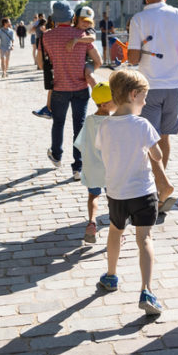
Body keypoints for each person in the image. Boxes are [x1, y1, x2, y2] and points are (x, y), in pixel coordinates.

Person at [93, 69, 166, 316]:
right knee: (144, 238)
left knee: (115, 232)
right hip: (143, 193)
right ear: (134, 95)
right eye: (144, 97)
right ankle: (146, 289)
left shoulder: (105, 125)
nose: (145, 102)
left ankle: (111, 275)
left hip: (116, 193)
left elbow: (102, 153)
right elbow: (158, 155)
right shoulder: (142, 124)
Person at [127, 0, 178, 182]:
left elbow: (134, 59)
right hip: (175, 85)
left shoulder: (139, 18)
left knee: (149, 138)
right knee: (164, 137)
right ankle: (160, 180)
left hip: (150, 86)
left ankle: (159, 184)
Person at [42, 1, 100, 180]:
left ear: (54, 18)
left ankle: (57, 156)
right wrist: (88, 70)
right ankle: (77, 168)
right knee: (79, 127)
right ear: (72, 17)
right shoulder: (82, 34)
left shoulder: (46, 37)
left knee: (58, 123)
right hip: (81, 87)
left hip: (59, 87)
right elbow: (98, 60)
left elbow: (41, 63)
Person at [74, 81, 116, 245]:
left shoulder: (89, 120)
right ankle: (116, 227)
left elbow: (80, 144)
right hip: (110, 168)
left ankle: (91, 222)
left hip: (92, 167)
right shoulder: (113, 122)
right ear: (105, 104)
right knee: (113, 199)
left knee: (93, 195)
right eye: (114, 100)